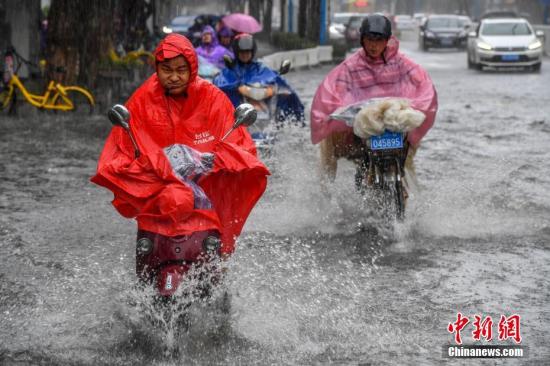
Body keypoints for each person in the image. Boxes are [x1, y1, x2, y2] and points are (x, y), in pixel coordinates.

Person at [91, 33, 269, 258]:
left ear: (192, 69)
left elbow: (238, 144)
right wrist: (150, 166)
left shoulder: (212, 98)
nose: (173, 77)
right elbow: (122, 147)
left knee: (217, 258)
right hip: (159, 200)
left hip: (205, 195)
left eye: (180, 70)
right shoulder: (142, 100)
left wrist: (212, 161)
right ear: (157, 68)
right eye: (167, 70)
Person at [310, 14, 438, 186]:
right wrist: (337, 111)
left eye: (379, 40)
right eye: (370, 39)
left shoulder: (401, 63)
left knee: (407, 154)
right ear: (362, 39)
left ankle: (406, 187)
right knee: (329, 143)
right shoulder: (350, 66)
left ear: (387, 41)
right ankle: (325, 191)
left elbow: (422, 83)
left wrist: (417, 105)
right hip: (360, 127)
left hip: (394, 123)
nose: (373, 45)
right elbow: (336, 91)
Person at [213, 33, 304, 125]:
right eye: (242, 52)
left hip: (263, 102)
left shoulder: (261, 68)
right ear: (237, 52)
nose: (245, 55)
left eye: (248, 52)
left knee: (289, 95)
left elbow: (275, 78)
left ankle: (290, 123)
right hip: (240, 106)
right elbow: (220, 83)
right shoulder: (230, 70)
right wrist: (237, 88)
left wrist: (273, 89)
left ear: (252, 52)